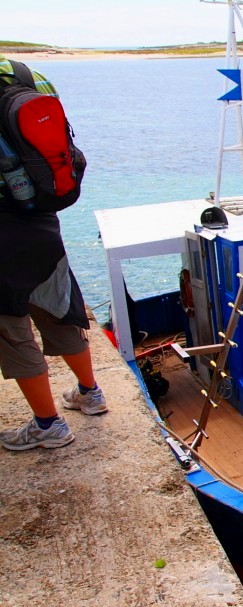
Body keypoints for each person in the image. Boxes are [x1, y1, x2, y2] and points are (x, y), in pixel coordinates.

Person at [0, 54, 105, 451]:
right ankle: (90, 393)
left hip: (3, 223)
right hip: (41, 212)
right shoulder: (28, 75)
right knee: (58, 305)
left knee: (11, 326)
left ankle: (48, 425)